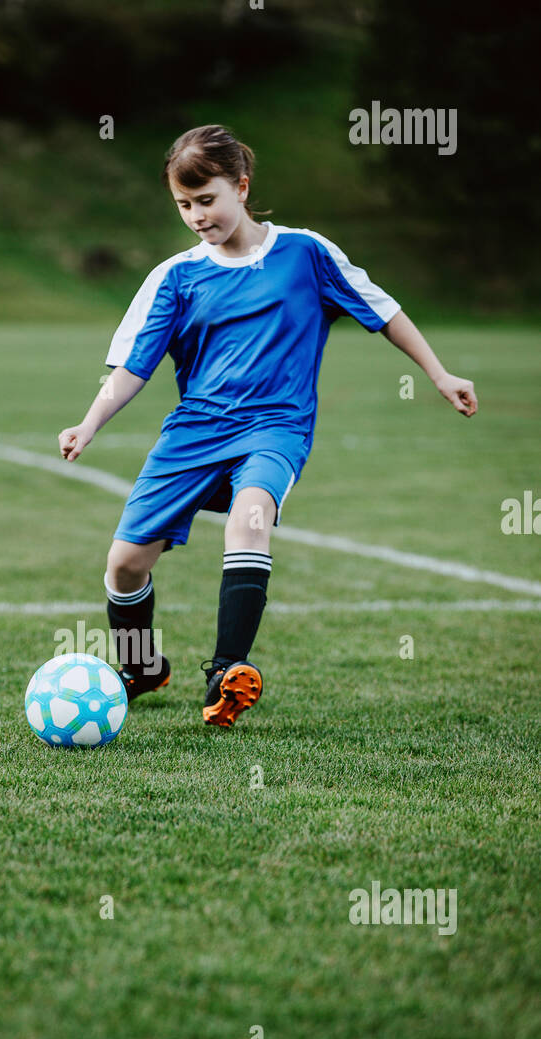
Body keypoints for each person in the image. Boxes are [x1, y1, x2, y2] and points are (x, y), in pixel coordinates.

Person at [58, 125, 478, 726]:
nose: (198, 216)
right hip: (194, 432)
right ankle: (141, 665)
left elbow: (384, 312)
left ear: (242, 187)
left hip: (275, 428)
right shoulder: (175, 277)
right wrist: (89, 423)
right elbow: (133, 369)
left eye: (208, 200)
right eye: (184, 205)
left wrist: (439, 374)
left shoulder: (306, 254)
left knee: (250, 521)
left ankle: (226, 672)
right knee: (125, 564)